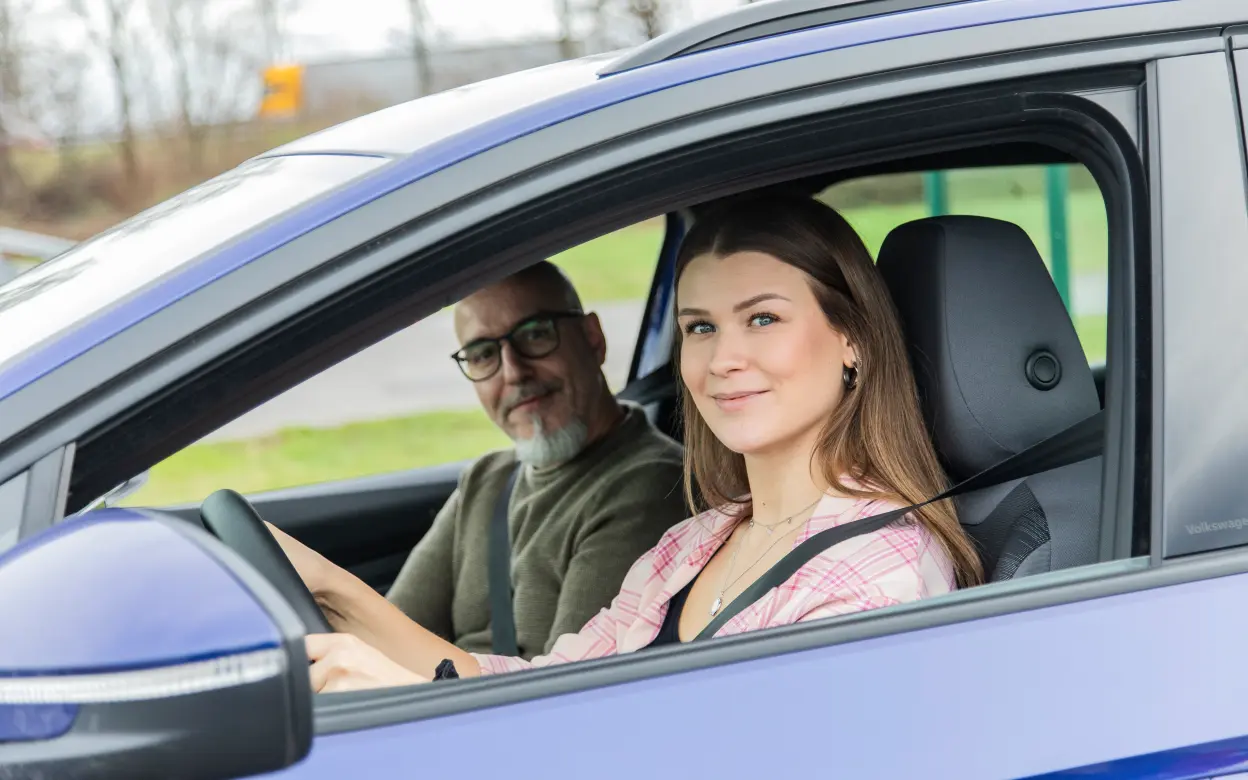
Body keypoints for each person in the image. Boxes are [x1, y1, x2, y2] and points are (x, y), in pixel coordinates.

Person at [269, 194, 985, 693]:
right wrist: (327, 586)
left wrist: (409, 704)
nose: (723, 358)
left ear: (852, 338)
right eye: (701, 327)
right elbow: (554, 689)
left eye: (762, 319)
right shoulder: (695, 545)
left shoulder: (877, 574)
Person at [384, 261, 687, 658]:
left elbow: (565, 689)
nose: (513, 372)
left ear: (593, 339)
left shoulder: (650, 485)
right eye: (482, 354)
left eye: (535, 334)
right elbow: (387, 631)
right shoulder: (486, 478)